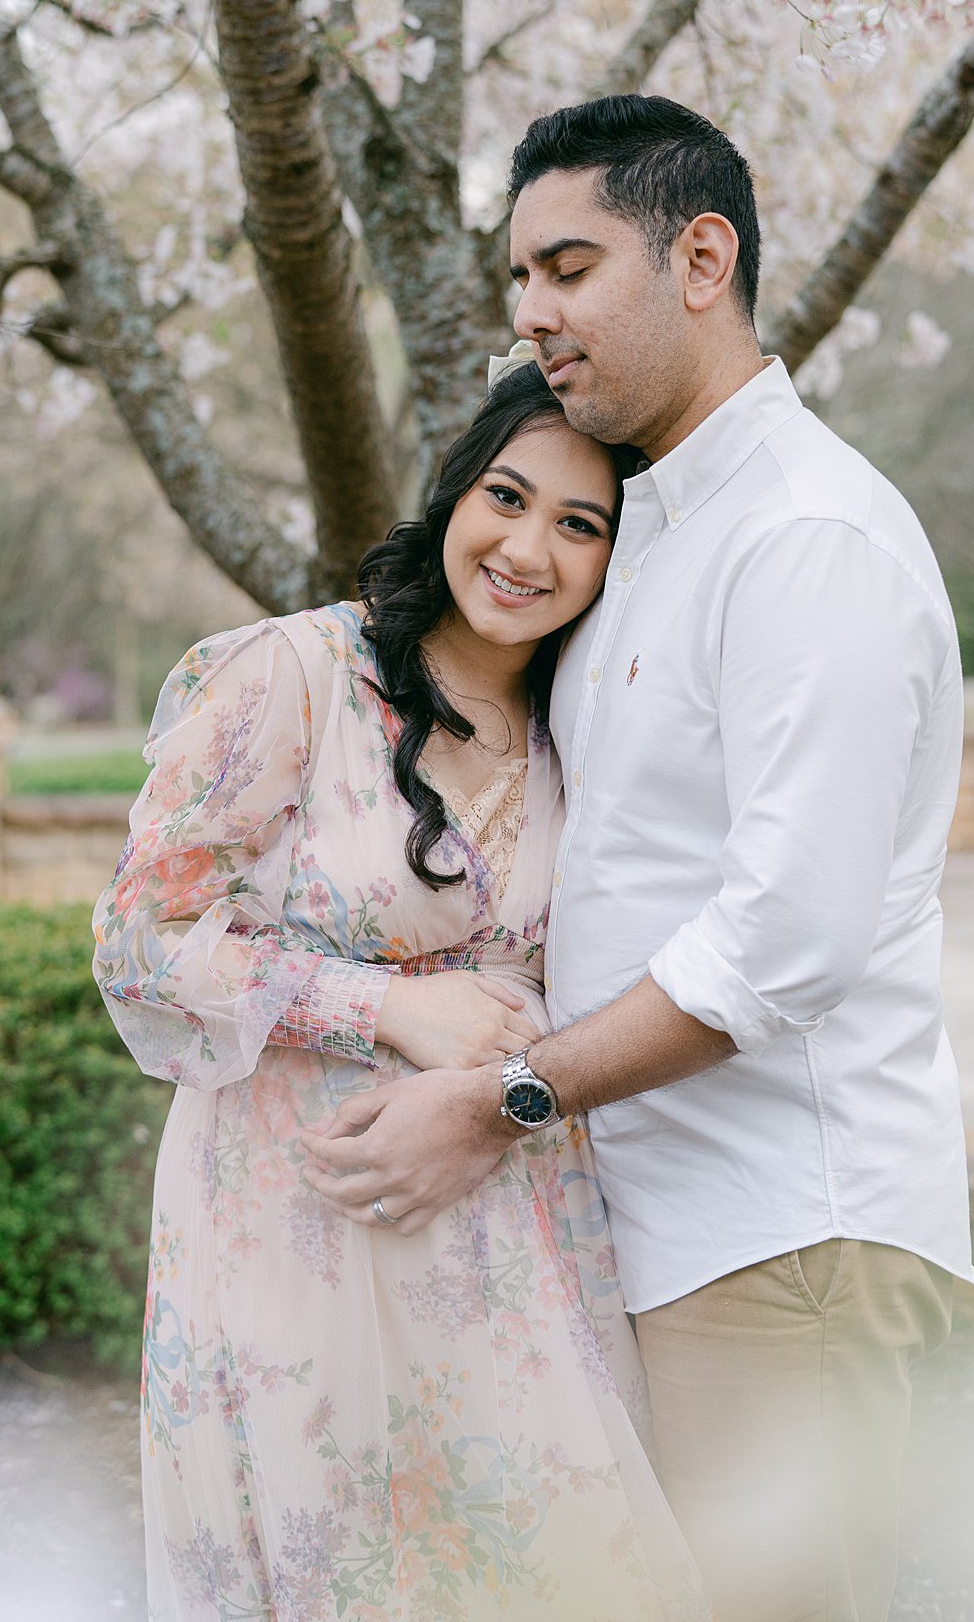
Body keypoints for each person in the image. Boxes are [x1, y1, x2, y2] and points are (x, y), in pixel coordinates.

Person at [304, 93, 974, 1622]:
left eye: (567, 266)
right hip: (644, 1224)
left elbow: (788, 941)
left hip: (780, 1238)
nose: (532, 315)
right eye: (519, 279)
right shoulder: (649, 529)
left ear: (700, 256)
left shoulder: (808, 540)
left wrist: (504, 1101)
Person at [92, 362, 701, 1622]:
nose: (529, 547)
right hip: (296, 1214)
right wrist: (383, 1005)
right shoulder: (297, 677)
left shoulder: (577, 727)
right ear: (454, 493)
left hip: (507, 1215)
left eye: (579, 525)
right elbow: (138, 936)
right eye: (508, 496)